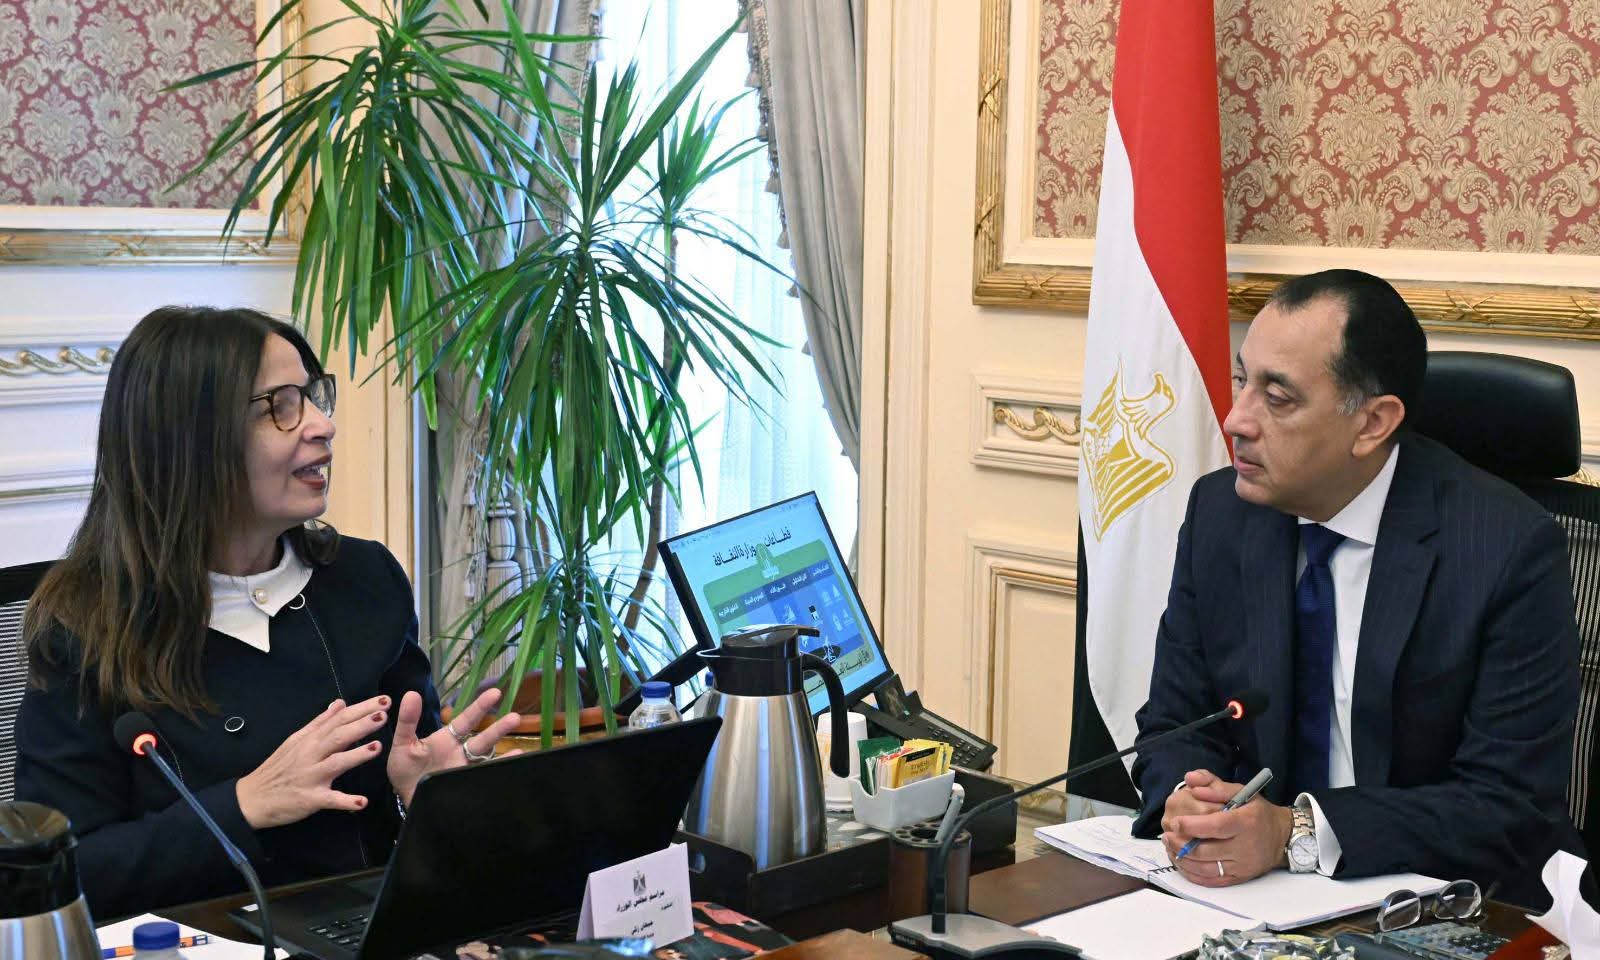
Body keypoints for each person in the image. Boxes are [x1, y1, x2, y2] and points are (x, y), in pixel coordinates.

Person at [16, 306, 523, 919]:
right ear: (190, 439)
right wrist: (245, 804)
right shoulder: (85, 626)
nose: (323, 425)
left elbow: (402, 804)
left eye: (312, 396)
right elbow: (63, 872)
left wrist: (425, 799)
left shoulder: (366, 580)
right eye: (281, 406)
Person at [1130, 269, 1581, 905]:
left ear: (1372, 423)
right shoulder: (1221, 513)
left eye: (1277, 397)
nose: (1236, 420)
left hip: (1444, 903)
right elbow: (1175, 722)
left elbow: (1508, 803)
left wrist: (1295, 833)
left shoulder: (1507, 548)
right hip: (1252, 898)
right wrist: (1188, 798)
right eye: (1242, 380)